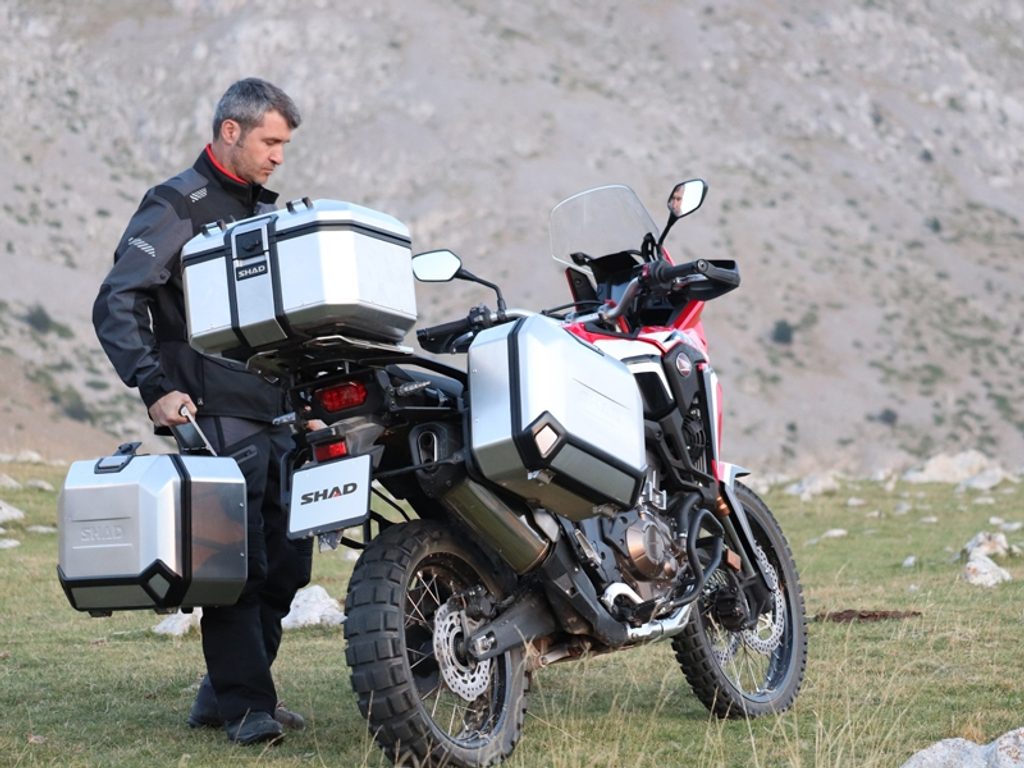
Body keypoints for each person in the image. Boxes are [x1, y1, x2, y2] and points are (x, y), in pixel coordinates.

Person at [92, 78, 313, 745]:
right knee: (237, 563)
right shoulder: (176, 204)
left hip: (276, 411)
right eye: (270, 141)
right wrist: (153, 386)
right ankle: (248, 707)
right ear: (230, 131)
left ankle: (223, 695)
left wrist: (304, 401)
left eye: (284, 145)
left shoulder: (264, 216)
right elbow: (117, 300)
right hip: (213, 411)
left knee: (289, 565)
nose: (278, 156)